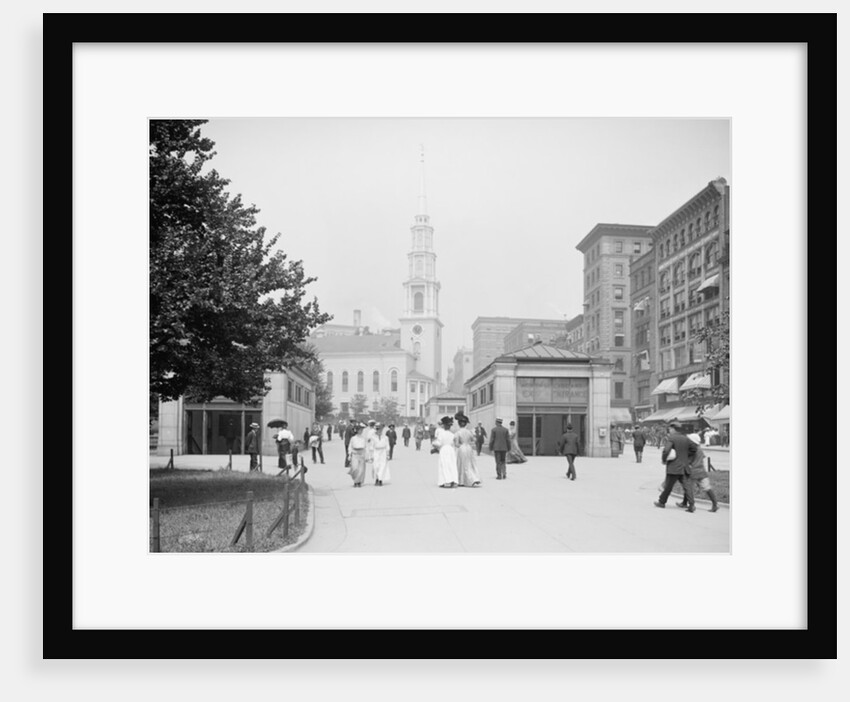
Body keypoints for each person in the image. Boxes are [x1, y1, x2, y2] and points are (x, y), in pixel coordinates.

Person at [654, 420, 697, 511]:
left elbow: (666, 450)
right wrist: (685, 455)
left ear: (673, 429)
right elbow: (694, 448)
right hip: (684, 466)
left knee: (668, 486)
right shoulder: (686, 438)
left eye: (670, 428)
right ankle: (692, 505)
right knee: (687, 486)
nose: (669, 430)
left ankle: (661, 502)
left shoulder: (672, 438)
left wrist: (664, 460)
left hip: (674, 467)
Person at [676, 434, 720, 512]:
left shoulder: (692, 449)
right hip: (702, 471)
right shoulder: (699, 449)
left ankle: (689, 505)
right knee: (707, 488)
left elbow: (688, 460)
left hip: (693, 471)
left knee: (688, 488)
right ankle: (715, 504)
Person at [453, 413, 481, 487]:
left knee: (462, 464)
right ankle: (474, 477)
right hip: (469, 448)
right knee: (470, 464)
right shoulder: (469, 432)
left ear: (459, 424)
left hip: (462, 449)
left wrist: (460, 444)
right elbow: (474, 440)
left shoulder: (457, 433)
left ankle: (463, 480)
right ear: (465, 424)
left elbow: (456, 444)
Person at [434, 415, 458, 487]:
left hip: (444, 449)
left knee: (444, 464)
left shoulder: (441, 434)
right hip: (451, 450)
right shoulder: (452, 435)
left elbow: (438, 443)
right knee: (452, 464)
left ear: (444, 425)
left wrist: (434, 444)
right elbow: (454, 444)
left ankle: (445, 480)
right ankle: (453, 480)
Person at [346, 423, 367, 487]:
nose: (360, 431)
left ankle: (358, 482)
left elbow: (366, 447)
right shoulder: (353, 438)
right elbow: (350, 447)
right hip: (355, 454)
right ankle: (355, 480)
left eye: (361, 430)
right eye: (359, 430)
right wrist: (349, 455)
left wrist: (367, 455)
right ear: (357, 430)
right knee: (355, 468)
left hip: (361, 454)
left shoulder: (363, 438)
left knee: (361, 469)